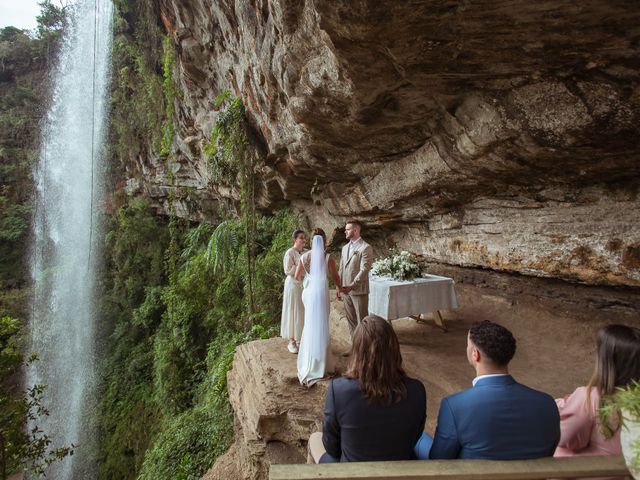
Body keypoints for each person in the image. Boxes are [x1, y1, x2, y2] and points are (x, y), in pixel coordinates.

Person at [428, 320, 560, 460]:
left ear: (475, 354)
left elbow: (439, 460)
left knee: (420, 441)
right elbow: (549, 449)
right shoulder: (547, 403)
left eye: (468, 346)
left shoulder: (454, 406)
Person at [308, 315, 426, 463]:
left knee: (314, 439)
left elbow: (332, 448)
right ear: (394, 348)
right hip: (398, 471)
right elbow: (415, 437)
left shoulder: (339, 391)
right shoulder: (417, 390)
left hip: (352, 474)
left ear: (357, 352)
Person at [555, 324, 640, 458]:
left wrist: (565, 409)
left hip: (590, 473)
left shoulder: (591, 397)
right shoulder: (634, 401)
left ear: (607, 361)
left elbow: (564, 439)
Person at [295, 229, 341, 386]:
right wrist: (341, 288)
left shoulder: (304, 257)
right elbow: (335, 277)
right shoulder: (328, 258)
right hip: (321, 295)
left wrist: (308, 281)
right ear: (325, 240)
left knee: (310, 324)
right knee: (321, 325)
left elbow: (297, 276)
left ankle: (310, 360)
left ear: (311, 241)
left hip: (308, 294)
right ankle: (321, 364)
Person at [338, 220, 373, 338]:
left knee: (362, 322)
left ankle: (366, 349)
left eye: (348, 229)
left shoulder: (366, 247)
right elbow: (341, 269)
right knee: (351, 321)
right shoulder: (344, 248)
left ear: (356, 230)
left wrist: (352, 285)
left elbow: (365, 270)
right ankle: (355, 348)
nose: (345, 231)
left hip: (358, 291)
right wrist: (339, 287)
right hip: (345, 290)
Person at [280, 229, 306, 354]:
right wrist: (300, 268)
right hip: (292, 285)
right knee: (292, 310)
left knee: (302, 310)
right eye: (301, 237)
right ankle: (291, 340)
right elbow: (287, 269)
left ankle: (300, 338)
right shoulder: (290, 252)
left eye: (304, 238)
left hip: (304, 285)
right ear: (295, 239)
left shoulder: (306, 252)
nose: (303, 240)